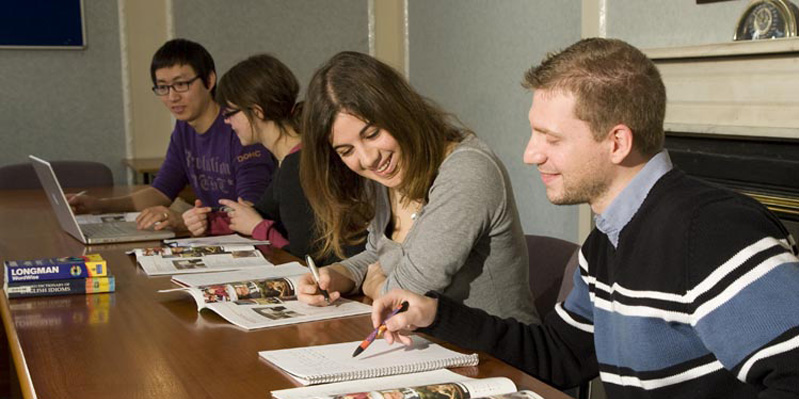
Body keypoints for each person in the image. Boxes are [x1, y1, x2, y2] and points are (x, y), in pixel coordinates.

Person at [371, 38, 799, 398]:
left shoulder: (714, 233)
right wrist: (435, 314)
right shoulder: (607, 240)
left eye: (550, 138)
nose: (529, 154)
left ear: (616, 143)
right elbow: (560, 355)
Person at [296, 51, 538, 324]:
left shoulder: (467, 172)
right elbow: (379, 256)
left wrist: (374, 287)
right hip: (429, 346)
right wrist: (339, 275)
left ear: (398, 111)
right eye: (346, 150)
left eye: (373, 134)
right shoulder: (388, 174)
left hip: (496, 357)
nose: (368, 159)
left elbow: (404, 295)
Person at [68, 39, 274, 232]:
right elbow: (162, 191)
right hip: (217, 238)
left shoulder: (240, 128)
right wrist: (99, 206)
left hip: (251, 243)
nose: (172, 96)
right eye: (163, 87)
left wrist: (184, 221)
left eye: (181, 84)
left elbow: (250, 210)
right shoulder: (184, 129)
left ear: (209, 80)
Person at [181, 54, 364, 262]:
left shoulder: (296, 167)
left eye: (230, 113)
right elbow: (263, 213)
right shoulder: (290, 157)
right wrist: (208, 221)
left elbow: (306, 259)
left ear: (257, 112)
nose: (227, 122)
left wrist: (260, 229)